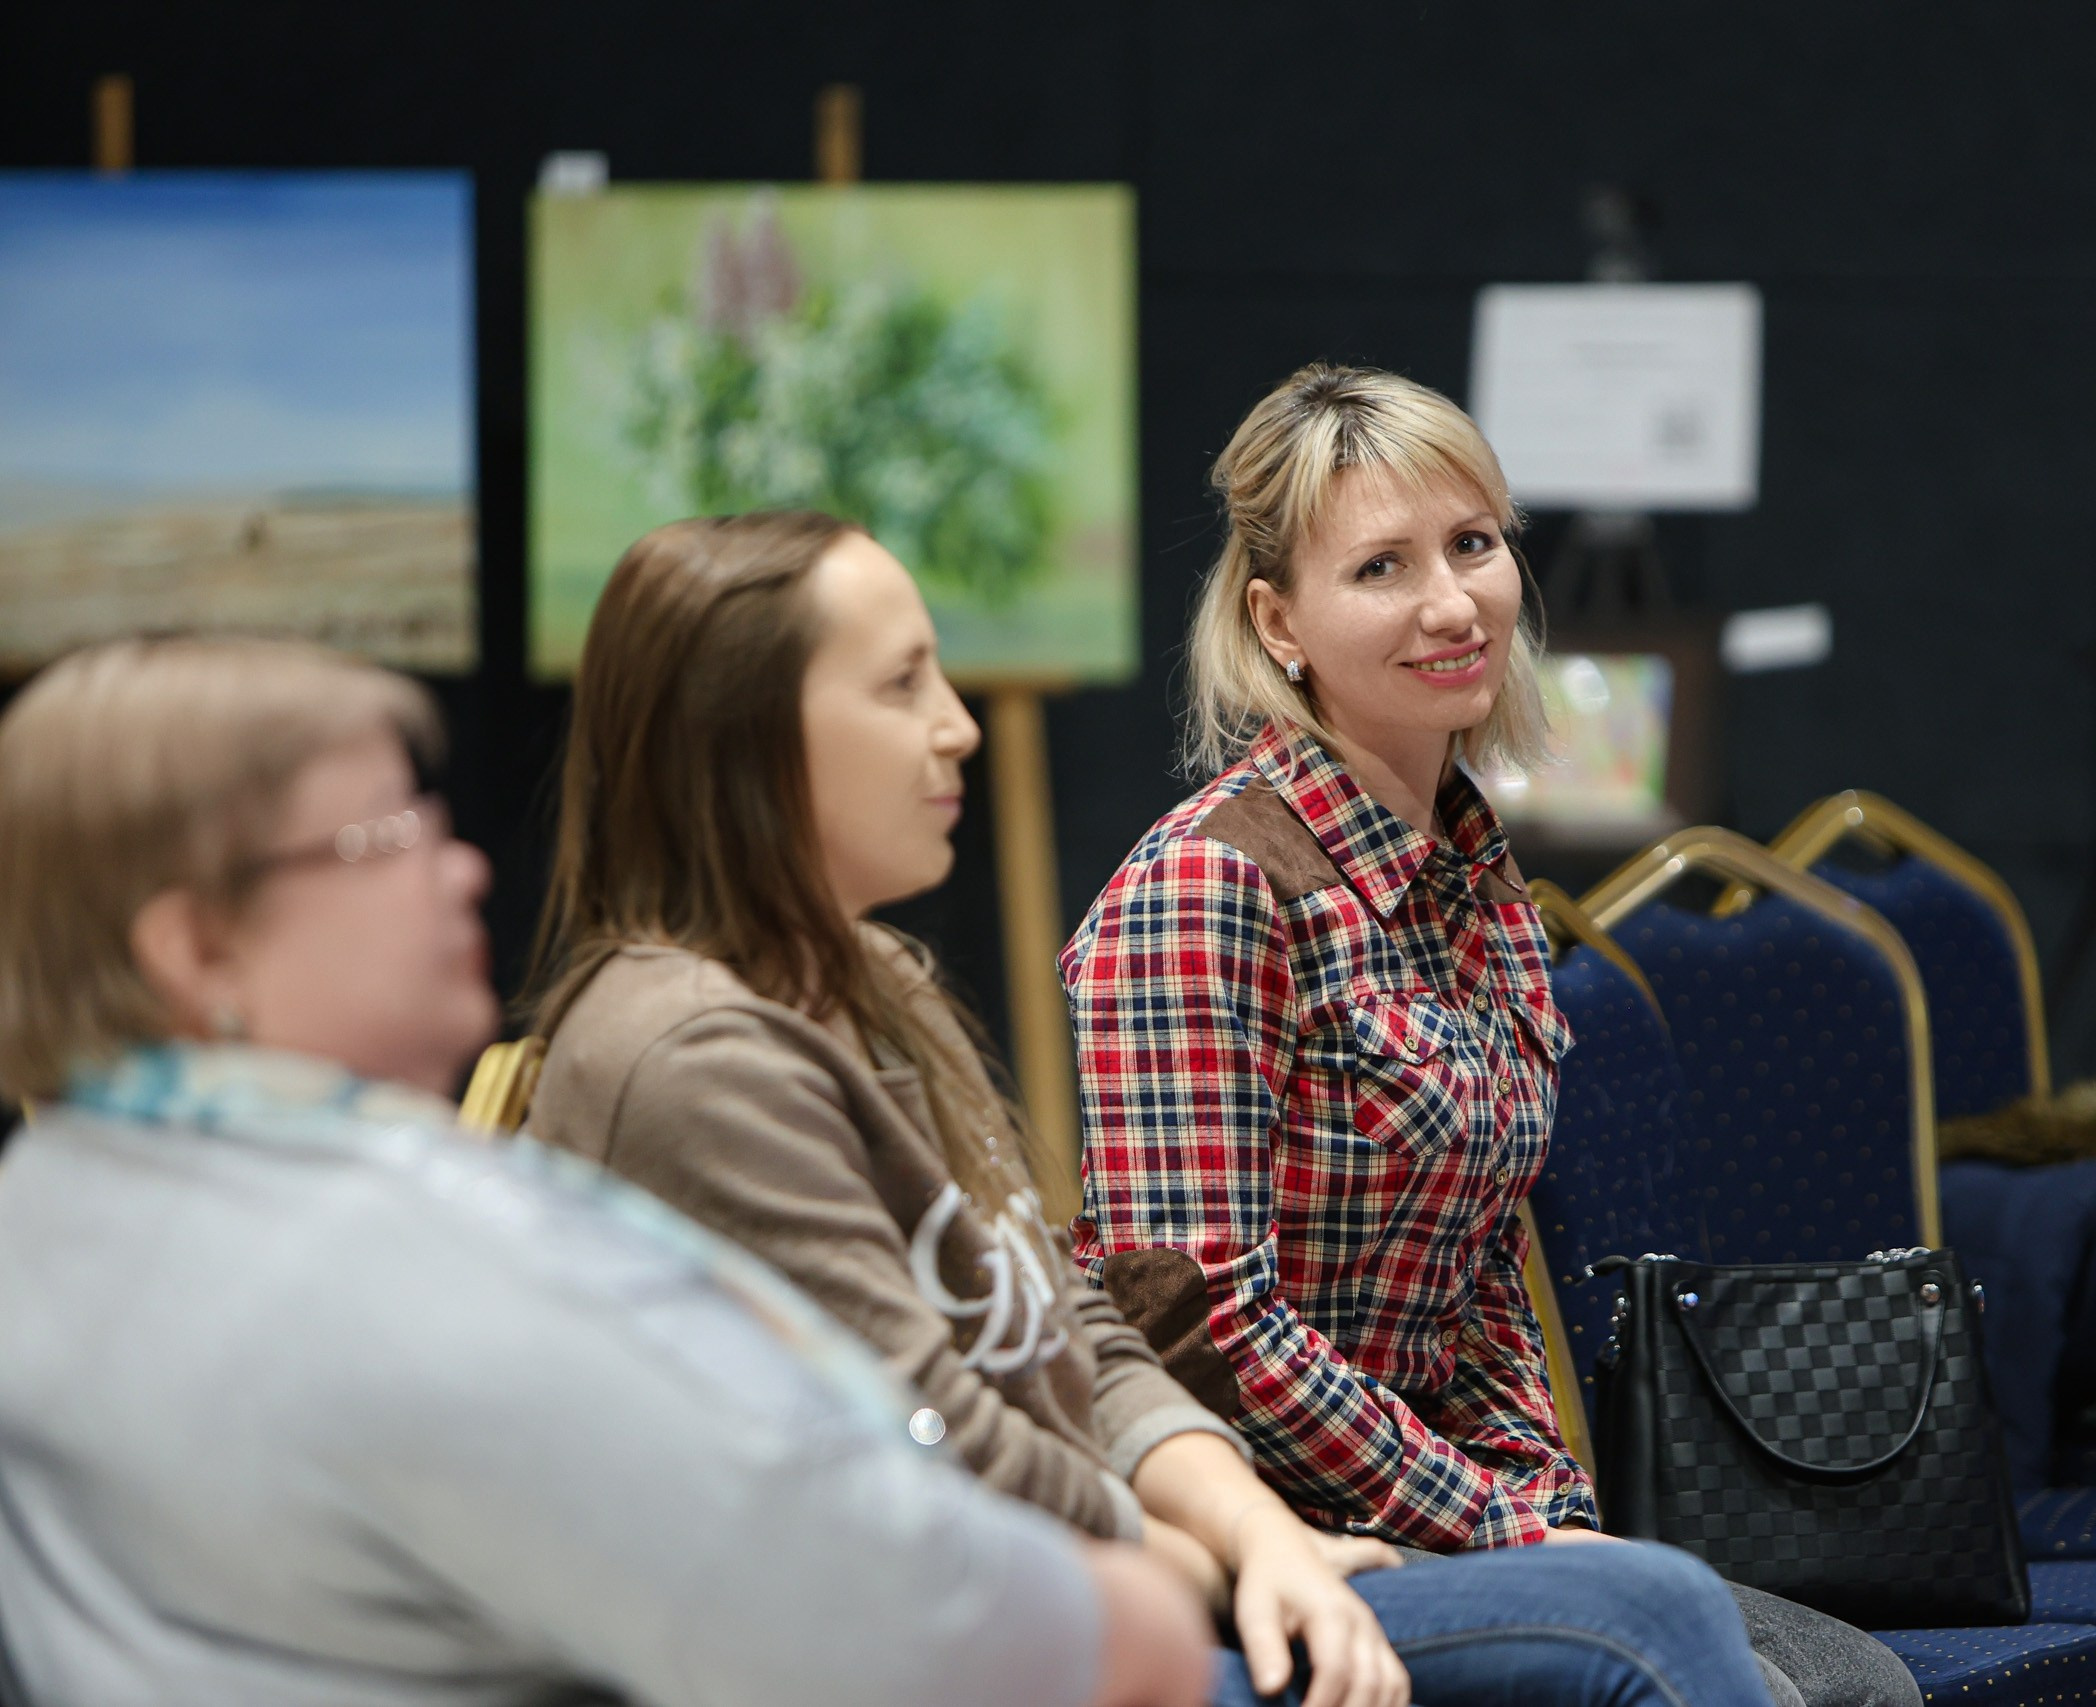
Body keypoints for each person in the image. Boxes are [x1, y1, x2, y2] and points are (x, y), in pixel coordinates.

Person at [521, 510, 1774, 1707]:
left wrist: (1264, 1532)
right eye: (901, 687)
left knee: (1770, 1649)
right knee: (1653, 1622)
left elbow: (1071, 1323)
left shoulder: (875, 980)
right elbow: (931, 1424)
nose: (957, 728)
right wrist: (1228, 1559)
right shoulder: (687, 1052)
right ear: (743, 738)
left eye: (1473, 545)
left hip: (1122, 1560)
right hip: (937, 1630)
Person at [0, 637, 1213, 1707]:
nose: (463, 865)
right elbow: (955, 1637)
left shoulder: (51, 1195)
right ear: (197, 946)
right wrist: (1167, 1587)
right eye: (387, 835)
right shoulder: (423, 1270)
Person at [1063, 365, 1920, 1707]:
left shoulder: (1474, 875)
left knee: (1859, 1681)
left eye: (1473, 544)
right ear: (1278, 618)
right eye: (1383, 567)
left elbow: (1475, 1281)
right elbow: (1202, 1325)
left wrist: (1541, 1494)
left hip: (1437, 1513)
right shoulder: (1206, 889)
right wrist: (1504, 1522)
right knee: (1704, 1652)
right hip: (1252, 1533)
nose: (1453, 602)